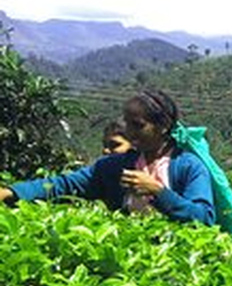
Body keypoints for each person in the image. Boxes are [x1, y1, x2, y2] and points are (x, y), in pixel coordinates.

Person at [0, 90, 215, 225]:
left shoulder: (189, 166)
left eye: (138, 126)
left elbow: (204, 217)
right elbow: (63, 185)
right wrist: (11, 192)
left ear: (163, 127)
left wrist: (159, 192)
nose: (130, 133)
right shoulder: (114, 166)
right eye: (128, 124)